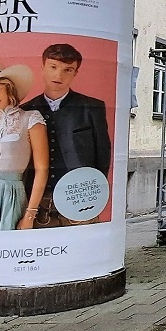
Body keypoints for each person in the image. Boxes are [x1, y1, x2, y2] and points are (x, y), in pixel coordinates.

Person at [20, 42, 112, 227]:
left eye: (67, 70)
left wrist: (91, 200)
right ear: (42, 67)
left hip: (79, 205)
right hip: (37, 206)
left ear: (75, 73)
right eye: (53, 67)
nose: (59, 75)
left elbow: (103, 156)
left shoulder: (91, 108)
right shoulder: (26, 110)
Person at [0, 65, 49, 231]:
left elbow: (42, 170)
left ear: (10, 88)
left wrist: (30, 215)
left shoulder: (31, 118)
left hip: (11, 193)